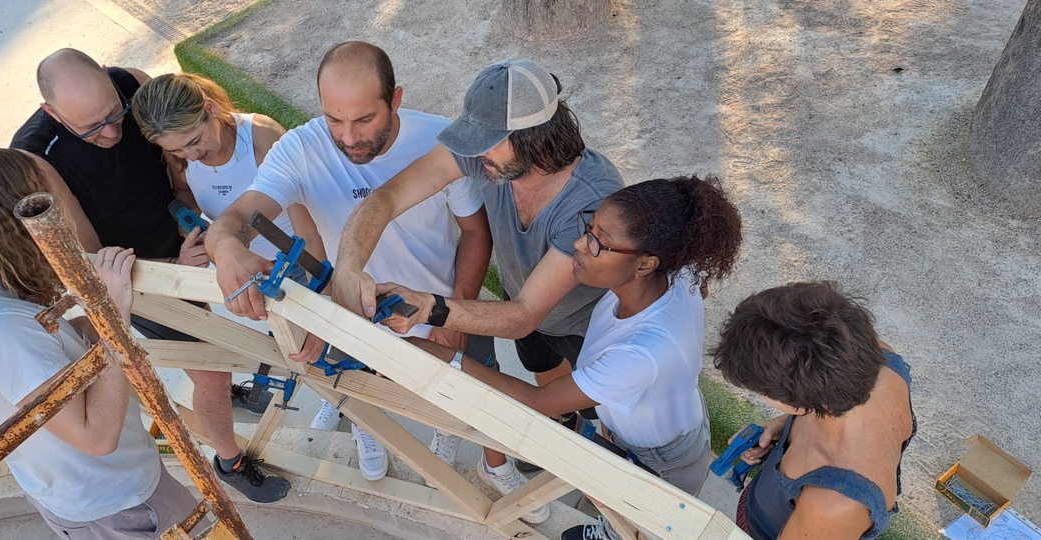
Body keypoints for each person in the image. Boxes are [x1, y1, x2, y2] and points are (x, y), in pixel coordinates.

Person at [202, 41, 496, 489]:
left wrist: (453, 311)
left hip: (434, 308)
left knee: (453, 397)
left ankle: (444, 431)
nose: (348, 137)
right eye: (333, 118)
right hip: (350, 317)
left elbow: (476, 233)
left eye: (364, 119)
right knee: (357, 389)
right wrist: (225, 248)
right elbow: (235, 218)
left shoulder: (440, 140)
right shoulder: (299, 148)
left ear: (395, 99)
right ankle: (367, 429)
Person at [10, 48, 289, 503]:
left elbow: (174, 160)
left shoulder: (131, 81)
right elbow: (93, 259)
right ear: (51, 113)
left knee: (215, 349)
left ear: (108, 76)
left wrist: (188, 214)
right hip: (139, 278)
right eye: (92, 129)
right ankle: (228, 460)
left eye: (116, 116)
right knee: (211, 372)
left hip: (185, 242)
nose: (114, 132)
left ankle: (222, 389)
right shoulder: (36, 158)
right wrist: (173, 269)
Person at [333, 58, 624, 484]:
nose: (474, 155)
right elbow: (387, 199)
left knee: (608, 415)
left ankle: (606, 469)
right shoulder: (492, 158)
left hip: (589, 327)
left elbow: (526, 314)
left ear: (534, 136)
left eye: (488, 142)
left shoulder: (590, 201)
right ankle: (562, 430)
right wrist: (347, 267)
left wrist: (431, 309)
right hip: (526, 307)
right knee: (543, 370)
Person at [406, 176, 743, 539]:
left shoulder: (641, 354)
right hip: (651, 427)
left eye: (600, 242)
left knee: (635, 528)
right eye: (590, 226)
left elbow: (539, 401)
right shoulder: (679, 272)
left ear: (646, 264)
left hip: (658, 460)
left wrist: (443, 355)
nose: (580, 244)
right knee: (616, 509)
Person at [0, 148, 206, 538]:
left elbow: (55, 346)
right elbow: (96, 436)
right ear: (10, 220)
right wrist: (113, 313)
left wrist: (108, 299)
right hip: (119, 503)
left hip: (92, 494)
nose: (59, 221)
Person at [712, 282, 916, 539]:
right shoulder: (877, 358)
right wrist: (783, 424)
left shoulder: (833, 504)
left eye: (764, 392)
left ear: (795, 402)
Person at [129, 72, 324, 270]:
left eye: (195, 141)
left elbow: (308, 228)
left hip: (299, 259)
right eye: (177, 150)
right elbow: (184, 191)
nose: (192, 156)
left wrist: (319, 280)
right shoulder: (178, 153)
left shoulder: (263, 137)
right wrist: (193, 230)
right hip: (241, 263)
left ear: (210, 108)